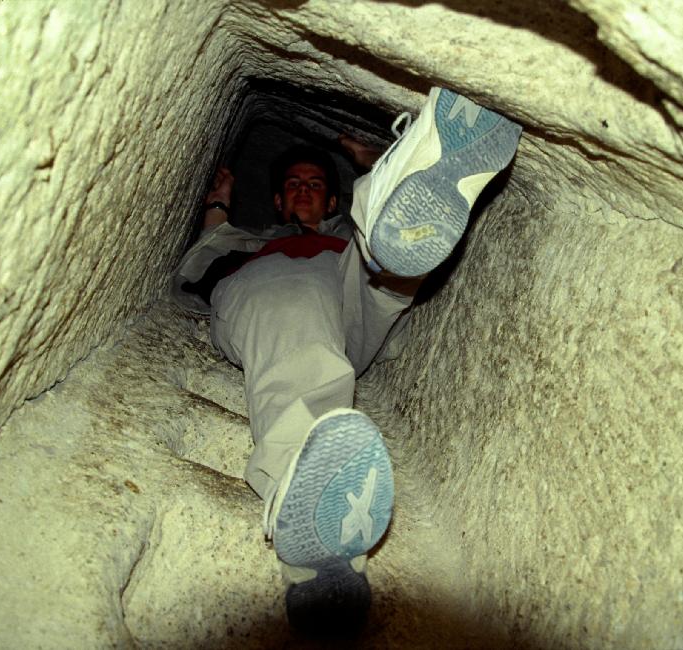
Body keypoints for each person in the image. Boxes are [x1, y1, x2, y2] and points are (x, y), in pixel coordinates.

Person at [172, 87, 522, 634]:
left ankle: (399, 180)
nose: (305, 192)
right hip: (273, 292)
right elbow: (197, 267)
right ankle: (305, 500)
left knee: (380, 249)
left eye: (316, 184)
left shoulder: (342, 231)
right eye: (294, 186)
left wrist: (364, 161)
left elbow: (355, 251)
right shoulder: (251, 240)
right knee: (295, 297)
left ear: (331, 200)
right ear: (280, 202)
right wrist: (219, 201)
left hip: (351, 293)